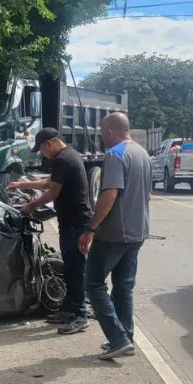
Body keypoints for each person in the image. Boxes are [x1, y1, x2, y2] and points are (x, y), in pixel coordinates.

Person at [78, 112, 151, 360]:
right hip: (137, 231)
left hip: (113, 234)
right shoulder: (142, 154)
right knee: (123, 286)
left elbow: (110, 195)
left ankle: (118, 338)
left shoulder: (115, 155)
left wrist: (91, 228)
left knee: (94, 284)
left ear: (109, 131)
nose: (101, 136)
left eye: (101, 132)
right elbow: (146, 196)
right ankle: (126, 338)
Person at [8, 127, 93, 335]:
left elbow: (53, 192)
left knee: (75, 270)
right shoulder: (69, 156)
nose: (43, 154)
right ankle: (69, 310)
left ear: (50, 143)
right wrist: (22, 184)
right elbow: (50, 182)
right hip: (72, 223)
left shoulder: (63, 159)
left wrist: (31, 205)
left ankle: (80, 315)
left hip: (76, 224)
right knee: (72, 269)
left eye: (42, 150)